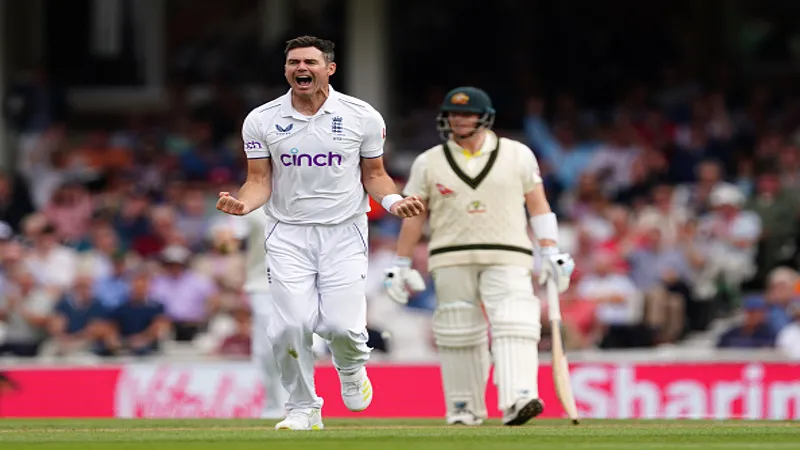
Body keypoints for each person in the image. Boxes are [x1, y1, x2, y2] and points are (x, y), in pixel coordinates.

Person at [216, 36, 425, 431]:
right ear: (286, 69)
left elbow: (375, 175)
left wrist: (395, 203)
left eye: (310, 62)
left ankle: (351, 370)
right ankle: (302, 407)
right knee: (290, 325)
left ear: (329, 68)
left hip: (343, 232)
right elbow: (259, 180)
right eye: (293, 62)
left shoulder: (362, 116)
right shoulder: (261, 119)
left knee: (343, 328)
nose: (301, 68)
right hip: (287, 233)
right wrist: (243, 206)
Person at [383, 87, 575, 426]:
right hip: (449, 256)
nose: (458, 119)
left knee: (515, 321)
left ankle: (518, 397)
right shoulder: (429, 161)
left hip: (509, 252)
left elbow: (538, 203)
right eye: (453, 114)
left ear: (484, 116)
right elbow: (415, 215)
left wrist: (550, 249)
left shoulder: (517, 154)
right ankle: (463, 405)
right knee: (457, 328)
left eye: (466, 113)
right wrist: (401, 262)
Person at [243, 208, 289, 419]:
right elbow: (229, 240)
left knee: (299, 341)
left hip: (303, 284)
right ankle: (273, 405)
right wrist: (224, 243)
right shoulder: (253, 206)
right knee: (267, 350)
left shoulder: (309, 196)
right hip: (263, 286)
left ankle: (301, 402)